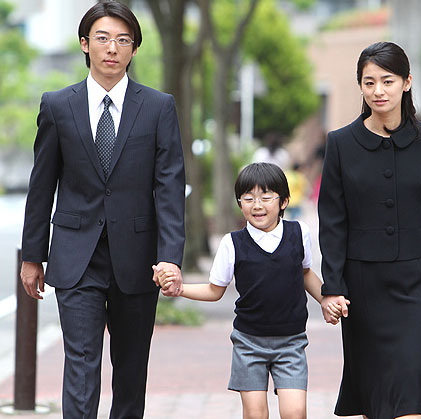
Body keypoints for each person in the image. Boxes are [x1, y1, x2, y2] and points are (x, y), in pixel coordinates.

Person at [19, 2, 185, 418]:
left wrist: (170, 257)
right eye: (103, 38)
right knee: (81, 365)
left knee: (130, 372)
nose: (112, 48)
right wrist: (32, 255)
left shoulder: (159, 106)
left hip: (138, 258)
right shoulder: (57, 106)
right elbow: (42, 187)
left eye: (123, 40)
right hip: (77, 257)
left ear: (133, 49)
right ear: (84, 44)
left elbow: (168, 187)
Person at [317, 41, 421, 419]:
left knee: (413, 386)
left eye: (387, 81)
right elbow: (332, 222)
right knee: (377, 397)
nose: (378, 91)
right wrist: (332, 286)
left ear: (407, 82)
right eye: (369, 82)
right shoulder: (340, 144)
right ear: (361, 87)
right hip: (364, 285)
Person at [158, 162, 342, 419]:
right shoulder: (231, 244)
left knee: (295, 412)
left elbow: (305, 273)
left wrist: (327, 299)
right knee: (255, 414)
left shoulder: (299, 233)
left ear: (284, 201)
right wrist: (180, 289)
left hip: (291, 341)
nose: (257, 205)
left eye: (266, 197)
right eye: (248, 198)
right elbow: (214, 290)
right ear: (239, 203)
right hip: (248, 343)